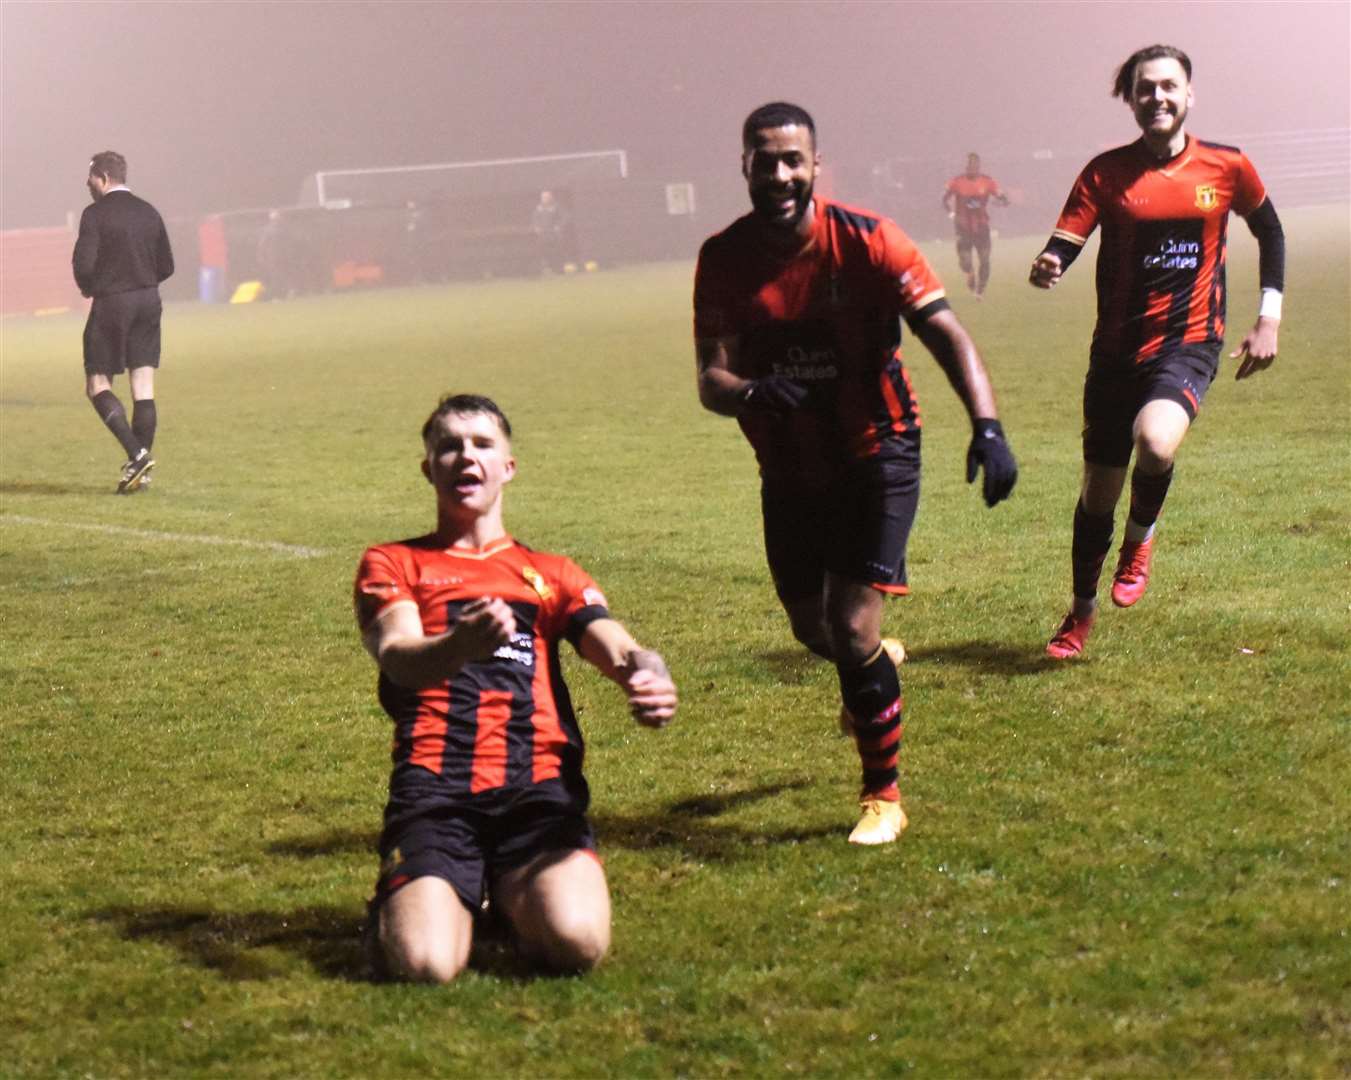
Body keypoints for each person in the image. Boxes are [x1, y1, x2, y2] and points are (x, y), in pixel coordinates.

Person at [693, 102, 1018, 845]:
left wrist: (987, 427)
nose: (778, 173)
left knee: (847, 625)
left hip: (877, 450)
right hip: (786, 464)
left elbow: (946, 334)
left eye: (791, 160)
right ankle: (872, 660)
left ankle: (883, 797)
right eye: (763, 159)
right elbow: (710, 377)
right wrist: (748, 392)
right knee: (814, 627)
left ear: (813, 165)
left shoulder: (871, 242)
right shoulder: (724, 257)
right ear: (743, 165)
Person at [354, 393, 677, 983]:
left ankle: (497, 892)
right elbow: (399, 659)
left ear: (508, 466)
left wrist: (647, 673)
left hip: (537, 793)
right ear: (429, 467)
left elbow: (617, 645)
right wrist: (458, 645)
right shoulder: (395, 562)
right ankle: (417, 899)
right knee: (425, 965)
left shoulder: (549, 573)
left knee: (576, 943)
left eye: (481, 444)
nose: (464, 457)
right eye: (448, 446)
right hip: (436, 789)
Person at [1029, 44, 1285, 659]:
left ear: (1189, 94)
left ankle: (1139, 540)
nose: (1158, 98)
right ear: (1132, 99)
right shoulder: (1106, 172)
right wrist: (1050, 264)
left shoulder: (1226, 167)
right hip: (1115, 354)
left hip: (1190, 343)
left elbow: (1269, 230)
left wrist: (1267, 318)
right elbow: (1066, 238)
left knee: (1157, 440)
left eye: (1169, 87)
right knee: (1097, 494)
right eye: (1146, 89)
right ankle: (1081, 613)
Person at [72, 151, 174, 494]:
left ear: (102, 177)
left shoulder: (95, 215)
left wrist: (91, 287)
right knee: (143, 386)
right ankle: (140, 475)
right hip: (148, 300)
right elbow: (167, 265)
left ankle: (137, 455)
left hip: (113, 302)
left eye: (90, 177)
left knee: (97, 384)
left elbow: (84, 264)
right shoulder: (149, 212)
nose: (87, 183)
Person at [942, 153, 1009, 298]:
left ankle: (980, 289)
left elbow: (1002, 198)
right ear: (966, 166)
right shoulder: (956, 182)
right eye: (969, 165)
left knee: (984, 258)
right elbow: (944, 200)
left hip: (981, 225)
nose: (971, 167)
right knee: (965, 261)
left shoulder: (987, 181)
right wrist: (952, 215)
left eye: (974, 164)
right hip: (963, 226)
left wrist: (1001, 201)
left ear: (978, 166)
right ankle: (969, 273)